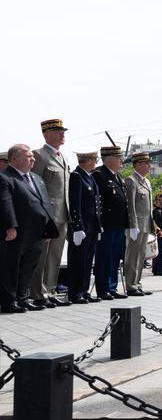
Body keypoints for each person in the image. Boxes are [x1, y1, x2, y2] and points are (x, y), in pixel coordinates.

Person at [1, 144, 59, 312]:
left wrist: (49, 227)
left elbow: (45, 203)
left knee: (29, 266)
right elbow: (5, 203)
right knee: (12, 267)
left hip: (37, 231)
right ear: (14, 159)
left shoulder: (36, 178)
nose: (33, 159)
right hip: (18, 232)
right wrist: (10, 226)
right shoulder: (5, 177)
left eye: (33, 156)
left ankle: (23, 298)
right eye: (28, 156)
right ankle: (9, 302)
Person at [31, 119, 71, 307]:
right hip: (48, 215)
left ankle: (51, 289)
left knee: (55, 255)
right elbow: (36, 187)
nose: (62, 135)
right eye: (58, 131)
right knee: (42, 256)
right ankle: (39, 293)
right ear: (47, 134)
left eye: (63, 131)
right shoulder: (39, 155)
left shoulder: (62, 157)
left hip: (62, 213)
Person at [92, 146, 129, 300]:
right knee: (104, 257)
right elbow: (96, 202)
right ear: (109, 158)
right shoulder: (99, 175)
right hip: (106, 224)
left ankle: (112, 286)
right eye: (119, 157)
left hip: (119, 224)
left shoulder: (117, 176)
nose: (122, 160)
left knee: (115, 257)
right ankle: (103, 288)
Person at [67, 151, 102, 303]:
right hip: (82, 226)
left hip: (92, 226)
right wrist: (77, 226)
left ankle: (84, 290)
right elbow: (75, 204)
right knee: (78, 260)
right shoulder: (76, 176)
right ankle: (75, 292)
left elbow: (95, 204)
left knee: (88, 260)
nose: (96, 162)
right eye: (95, 160)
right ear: (87, 160)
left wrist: (98, 226)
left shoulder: (89, 176)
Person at [123, 152, 154, 296]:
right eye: (146, 163)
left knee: (141, 255)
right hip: (136, 224)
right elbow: (131, 206)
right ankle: (130, 284)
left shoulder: (146, 182)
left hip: (146, 223)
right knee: (132, 255)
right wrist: (132, 225)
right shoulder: (131, 181)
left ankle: (137, 283)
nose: (149, 166)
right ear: (138, 164)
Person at [151, 190, 162, 275]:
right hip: (158, 234)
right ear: (157, 201)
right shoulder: (155, 211)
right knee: (158, 252)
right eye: (161, 200)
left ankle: (161, 269)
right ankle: (157, 270)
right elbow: (154, 223)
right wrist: (160, 233)